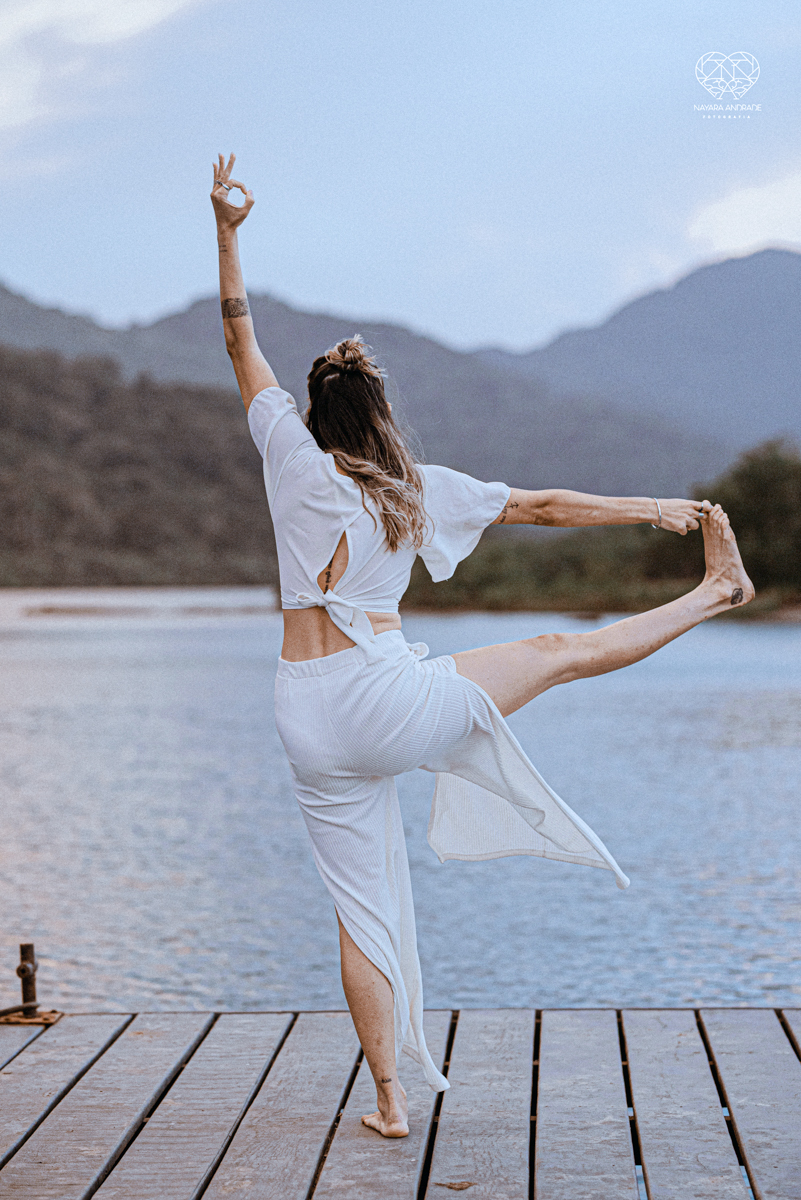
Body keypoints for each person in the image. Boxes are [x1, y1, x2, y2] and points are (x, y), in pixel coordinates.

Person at [211, 153, 754, 1137]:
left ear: (313, 415)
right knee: (557, 650)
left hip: (303, 716)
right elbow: (544, 505)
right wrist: (659, 509)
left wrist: (228, 229)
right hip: (380, 699)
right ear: (379, 419)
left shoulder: (288, 459)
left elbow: (237, 336)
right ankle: (716, 590)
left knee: (360, 909)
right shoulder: (413, 487)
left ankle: (386, 1103)